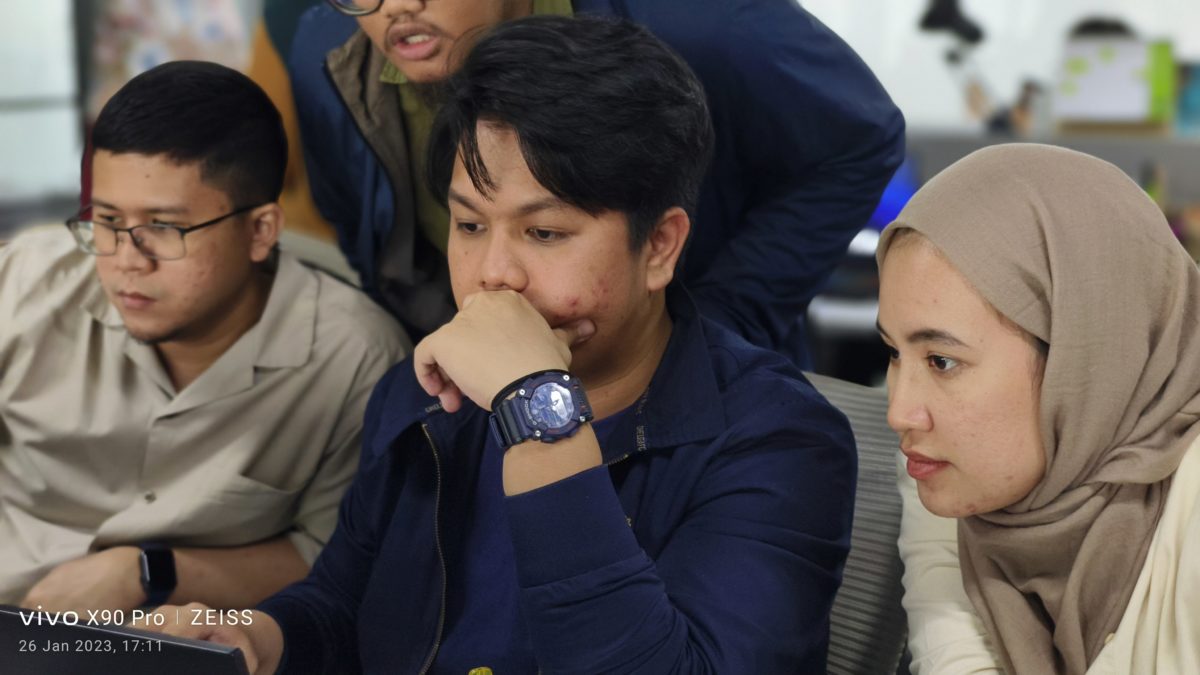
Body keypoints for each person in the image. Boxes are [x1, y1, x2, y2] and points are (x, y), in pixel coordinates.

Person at [142, 17, 858, 673]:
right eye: (469, 226)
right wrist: (260, 636)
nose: (493, 274)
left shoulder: (779, 440)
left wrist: (535, 409)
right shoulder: (427, 398)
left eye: (544, 232)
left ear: (660, 247)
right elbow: (341, 604)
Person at [282, 0, 905, 364]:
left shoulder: (700, 20)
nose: (393, 7)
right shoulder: (331, 56)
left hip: (691, 392)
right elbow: (369, 243)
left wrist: (720, 322)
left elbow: (859, 138)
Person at [0, 61, 409, 613]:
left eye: (163, 228)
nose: (127, 261)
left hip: (185, 637)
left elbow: (338, 558)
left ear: (260, 231)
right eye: (108, 221)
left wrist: (146, 573)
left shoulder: (355, 358)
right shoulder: (24, 282)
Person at [875, 144, 1200, 674]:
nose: (900, 413)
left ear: (1085, 360)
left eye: (941, 361)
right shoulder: (943, 474)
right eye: (892, 352)